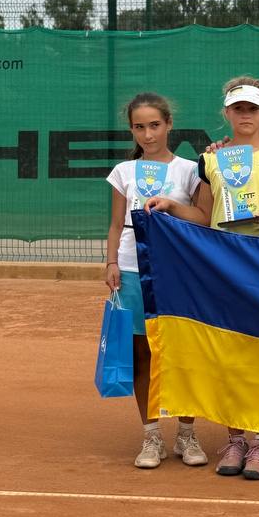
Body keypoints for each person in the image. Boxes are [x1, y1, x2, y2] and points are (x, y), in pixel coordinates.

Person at [146, 77, 259, 481]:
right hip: (223, 267)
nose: (246, 116)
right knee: (231, 355)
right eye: (239, 109)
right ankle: (236, 439)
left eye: (253, 109)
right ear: (227, 114)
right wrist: (170, 206)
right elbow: (202, 216)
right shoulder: (211, 160)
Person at [105, 92, 207, 470]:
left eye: (154, 125)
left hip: (178, 272)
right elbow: (117, 224)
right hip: (132, 270)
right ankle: (151, 438)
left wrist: (172, 206)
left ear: (168, 125)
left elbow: (202, 217)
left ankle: (186, 434)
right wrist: (111, 261)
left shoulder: (190, 169)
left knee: (182, 354)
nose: (147, 134)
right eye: (138, 127)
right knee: (142, 354)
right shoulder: (123, 172)